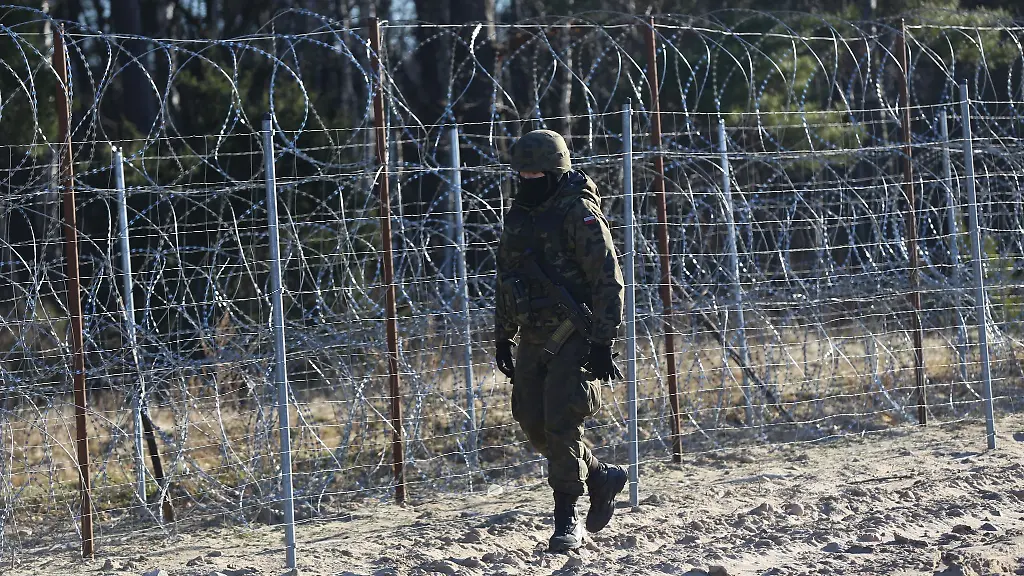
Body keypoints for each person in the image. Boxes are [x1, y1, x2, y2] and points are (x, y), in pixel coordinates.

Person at [494, 129, 628, 553]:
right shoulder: (520, 215)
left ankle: (566, 517)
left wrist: (603, 342)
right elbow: (504, 279)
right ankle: (602, 476)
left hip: (575, 336)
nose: (528, 180)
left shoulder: (579, 212)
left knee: (561, 422)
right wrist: (502, 337)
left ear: (555, 171)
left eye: (536, 174)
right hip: (532, 335)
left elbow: (608, 280)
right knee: (534, 424)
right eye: (523, 174)